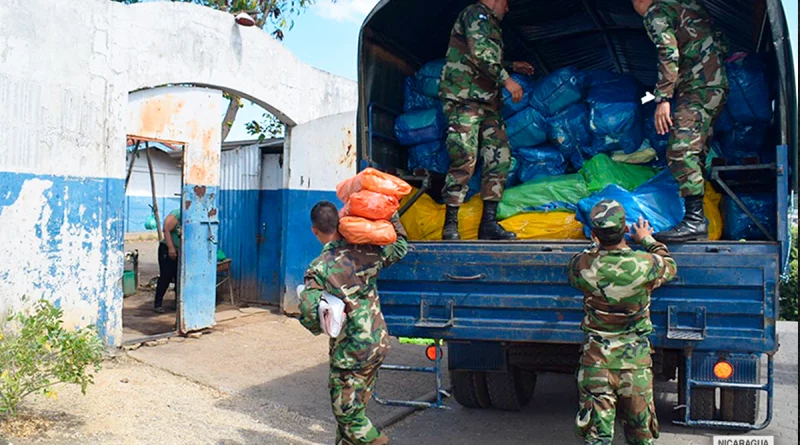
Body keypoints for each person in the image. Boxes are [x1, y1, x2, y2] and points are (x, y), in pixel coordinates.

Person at [296, 202, 409, 445]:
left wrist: (318, 322)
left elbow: (308, 313)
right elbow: (400, 246)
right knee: (356, 406)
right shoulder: (368, 252)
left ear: (315, 230)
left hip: (351, 351)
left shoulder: (319, 267)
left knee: (347, 415)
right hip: (377, 343)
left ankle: (378, 441)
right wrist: (392, 212)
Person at [568, 200, 677, 445]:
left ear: (594, 234)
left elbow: (577, 266)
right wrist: (647, 239)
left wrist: (595, 247)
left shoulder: (583, 266)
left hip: (596, 364)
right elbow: (669, 265)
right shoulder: (645, 264)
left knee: (598, 439)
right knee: (641, 438)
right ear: (626, 230)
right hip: (635, 365)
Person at [438, 0, 536, 241]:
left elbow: (483, 57)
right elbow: (480, 53)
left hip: (489, 105)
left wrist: (512, 66)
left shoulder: (490, 22)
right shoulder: (475, 14)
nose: (508, 8)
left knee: (500, 158)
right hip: (465, 99)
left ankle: (488, 224)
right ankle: (451, 224)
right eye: (507, 3)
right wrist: (508, 80)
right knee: (464, 156)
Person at [633, 0, 729, 242]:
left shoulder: (657, 11)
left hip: (698, 87)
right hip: (712, 84)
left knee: (680, 150)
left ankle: (695, 222)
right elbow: (719, 39)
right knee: (695, 152)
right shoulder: (685, 4)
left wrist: (663, 98)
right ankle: (698, 216)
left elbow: (668, 50)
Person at [154, 209, 181, 313]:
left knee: (179, 277)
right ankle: (158, 304)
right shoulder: (178, 213)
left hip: (180, 251)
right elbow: (166, 228)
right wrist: (171, 248)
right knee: (166, 276)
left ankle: (178, 304)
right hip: (167, 249)